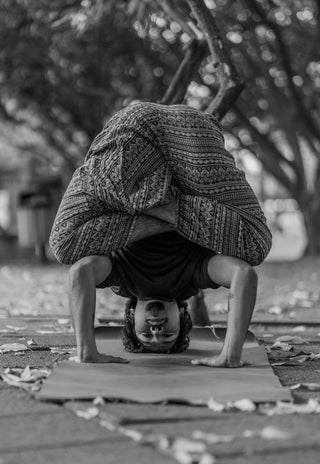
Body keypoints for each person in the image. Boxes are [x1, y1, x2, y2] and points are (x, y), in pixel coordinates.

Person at [50, 102, 272, 367]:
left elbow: (81, 271)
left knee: (64, 246)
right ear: (182, 315)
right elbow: (244, 274)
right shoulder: (194, 276)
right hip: (191, 139)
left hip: (133, 137)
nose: (156, 330)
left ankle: (162, 201)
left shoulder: (122, 278)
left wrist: (87, 352)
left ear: (131, 316)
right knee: (256, 247)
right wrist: (230, 354)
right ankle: (164, 204)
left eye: (146, 334)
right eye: (168, 335)